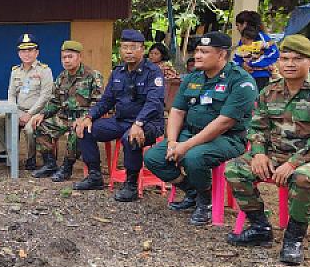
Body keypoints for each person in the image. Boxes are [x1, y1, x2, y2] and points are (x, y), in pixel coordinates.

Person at [225, 35, 310, 264]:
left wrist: (293, 163)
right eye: (285, 58)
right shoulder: (269, 91)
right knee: (235, 169)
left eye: (297, 59)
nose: (289, 64)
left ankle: (294, 239)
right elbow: (257, 127)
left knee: (303, 177)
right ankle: (260, 227)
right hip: (275, 154)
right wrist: (259, 152)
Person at [144, 32, 258, 225]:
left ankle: (206, 203)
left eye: (204, 52)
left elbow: (224, 123)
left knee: (194, 157)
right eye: (197, 51)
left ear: (221, 55)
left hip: (226, 138)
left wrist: (186, 146)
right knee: (153, 157)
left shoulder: (240, 81)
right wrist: (172, 141)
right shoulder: (193, 78)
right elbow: (177, 111)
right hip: (190, 133)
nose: (197, 55)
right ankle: (194, 192)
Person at [73, 29, 165, 201]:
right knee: (85, 129)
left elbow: (154, 102)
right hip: (121, 121)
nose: (128, 51)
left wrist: (138, 123)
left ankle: (131, 185)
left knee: (130, 138)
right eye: (125, 47)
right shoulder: (118, 72)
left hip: (149, 123)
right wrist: (89, 117)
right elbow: (106, 101)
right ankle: (94, 176)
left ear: (142, 49)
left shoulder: (153, 72)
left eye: (133, 47)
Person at [30, 40, 104, 182]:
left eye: (70, 57)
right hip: (64, 117)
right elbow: (54, 101)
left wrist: (87, 118)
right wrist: (42, 114)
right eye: (64, 57)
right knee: (40, 125)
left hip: (83, 118)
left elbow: (99, 102)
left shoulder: (93, 76)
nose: (67, 60)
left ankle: (66, 168)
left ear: (79, 57)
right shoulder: (62, 77)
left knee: (76, 132)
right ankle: (50, 164)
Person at [0, 33, 54, 170]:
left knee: (29, 129)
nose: (26, 54)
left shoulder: (44, 70)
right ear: (19, 53)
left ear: (37, 52)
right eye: (23, 51)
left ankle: (31, 158)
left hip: (37, 112)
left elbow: (45, 96)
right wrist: (14, 112)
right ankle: (6, 153)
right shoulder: (15, 71)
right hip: (18, 110)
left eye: (30, 50)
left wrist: (29, 114)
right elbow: (11, 94)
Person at [232, 10, 278, 92]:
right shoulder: (243, 39)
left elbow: (273, 54)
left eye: (238, 25)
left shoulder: (263, 39)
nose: (237, 28)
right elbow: (239, 55)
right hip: (246, 75)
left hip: (260, 76)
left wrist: (252, 64)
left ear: (245, 24)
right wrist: (242, 64)